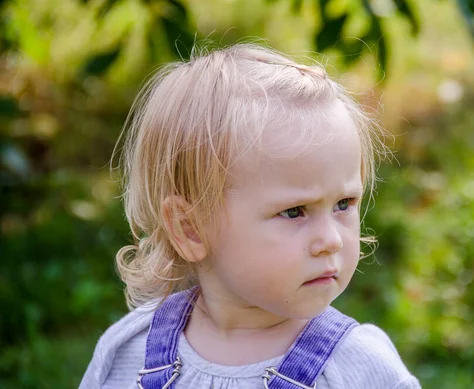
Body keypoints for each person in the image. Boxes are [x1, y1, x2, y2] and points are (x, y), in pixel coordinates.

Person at [80, 43, 420, 389]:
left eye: (344, 203)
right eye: (294, 212)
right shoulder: (129, 353)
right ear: (191, 229)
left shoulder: (358, 369)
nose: (331, 240)